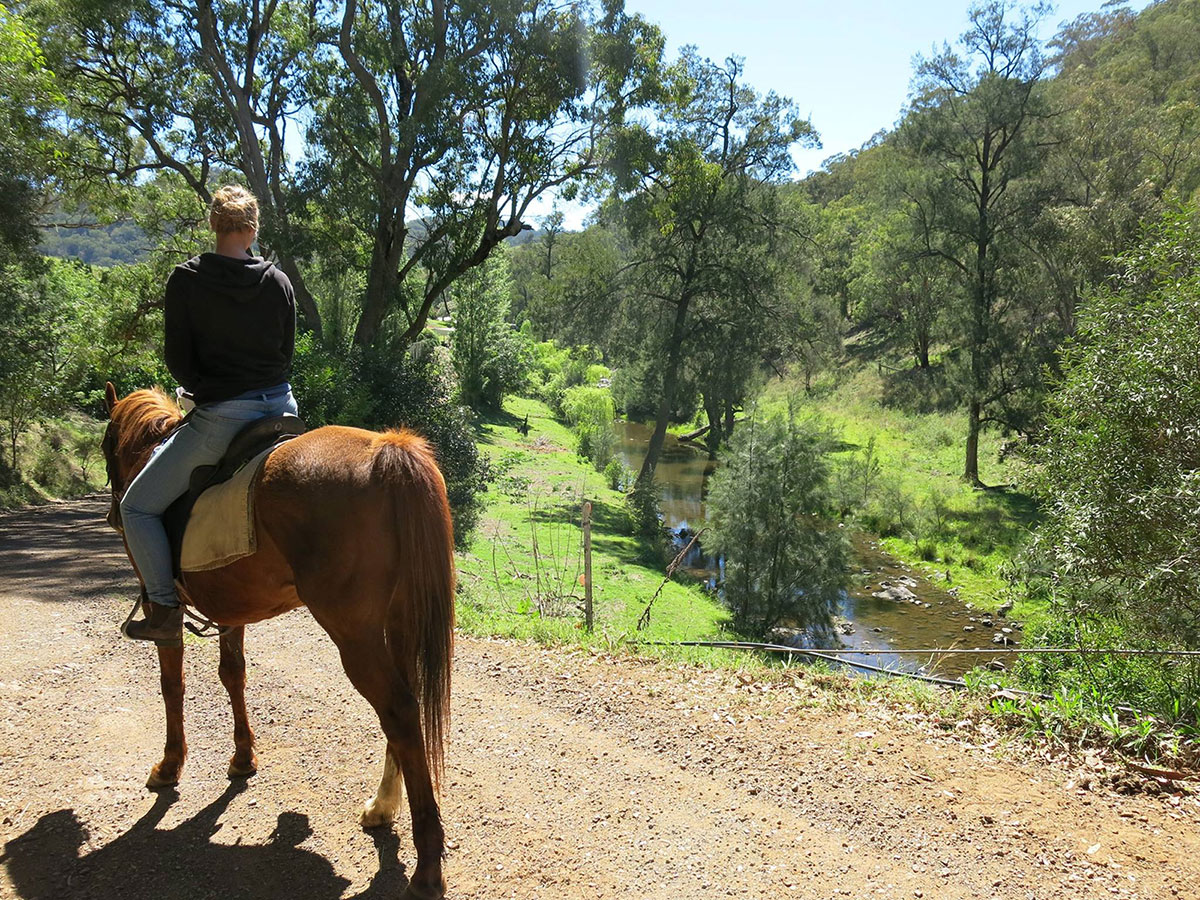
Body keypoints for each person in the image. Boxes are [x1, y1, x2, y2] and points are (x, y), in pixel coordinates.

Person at [120, 185, 298, 644]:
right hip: (282, 411)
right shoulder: (278, 282)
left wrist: (204, 389)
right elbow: (285, 354)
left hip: (221, 419)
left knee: (136, 508)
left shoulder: (186, 279)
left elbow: (179, 362)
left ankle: (162, 605)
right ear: (253, 227)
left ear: (213, 225)